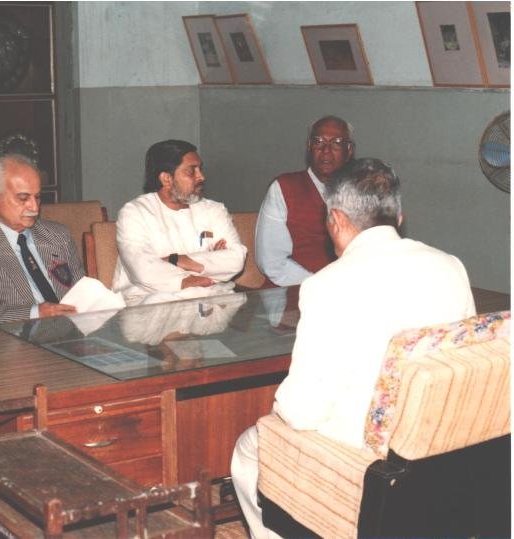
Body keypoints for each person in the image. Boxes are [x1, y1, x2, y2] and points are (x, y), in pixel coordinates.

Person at [231, 158, 476, 539]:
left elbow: (302, 412)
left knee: (249, 448)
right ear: (398, 217)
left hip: (364, 458)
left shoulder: (327, 285)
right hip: (438, 447)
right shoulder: (451, 266)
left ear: (336, 219)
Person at [0, 153, 83, 328]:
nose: (34, 207)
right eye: (23, 198)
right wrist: (34, 313)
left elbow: (83, 292)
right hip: (13, 338)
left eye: (38, 197)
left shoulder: (58, 235)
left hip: (71, 331)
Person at [112, 139, 246, 305]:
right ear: (166, 178)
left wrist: (177, 260)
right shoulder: (134, 212)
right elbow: (143, 269)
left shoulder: (214, 209)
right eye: (191, 171)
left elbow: (236, 258)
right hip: (150, 301)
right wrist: (206, 267)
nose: (201, 177)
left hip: (210, 296)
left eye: (200, 169)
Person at [255, 116, 355, 287]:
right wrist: (323, 286)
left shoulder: (360, 192)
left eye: (337, 143)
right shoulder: (284, 188)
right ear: (309, 147)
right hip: (294, 291)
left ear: (349, 151)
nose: (326, 150)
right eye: (318, 142)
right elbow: (272, 263)